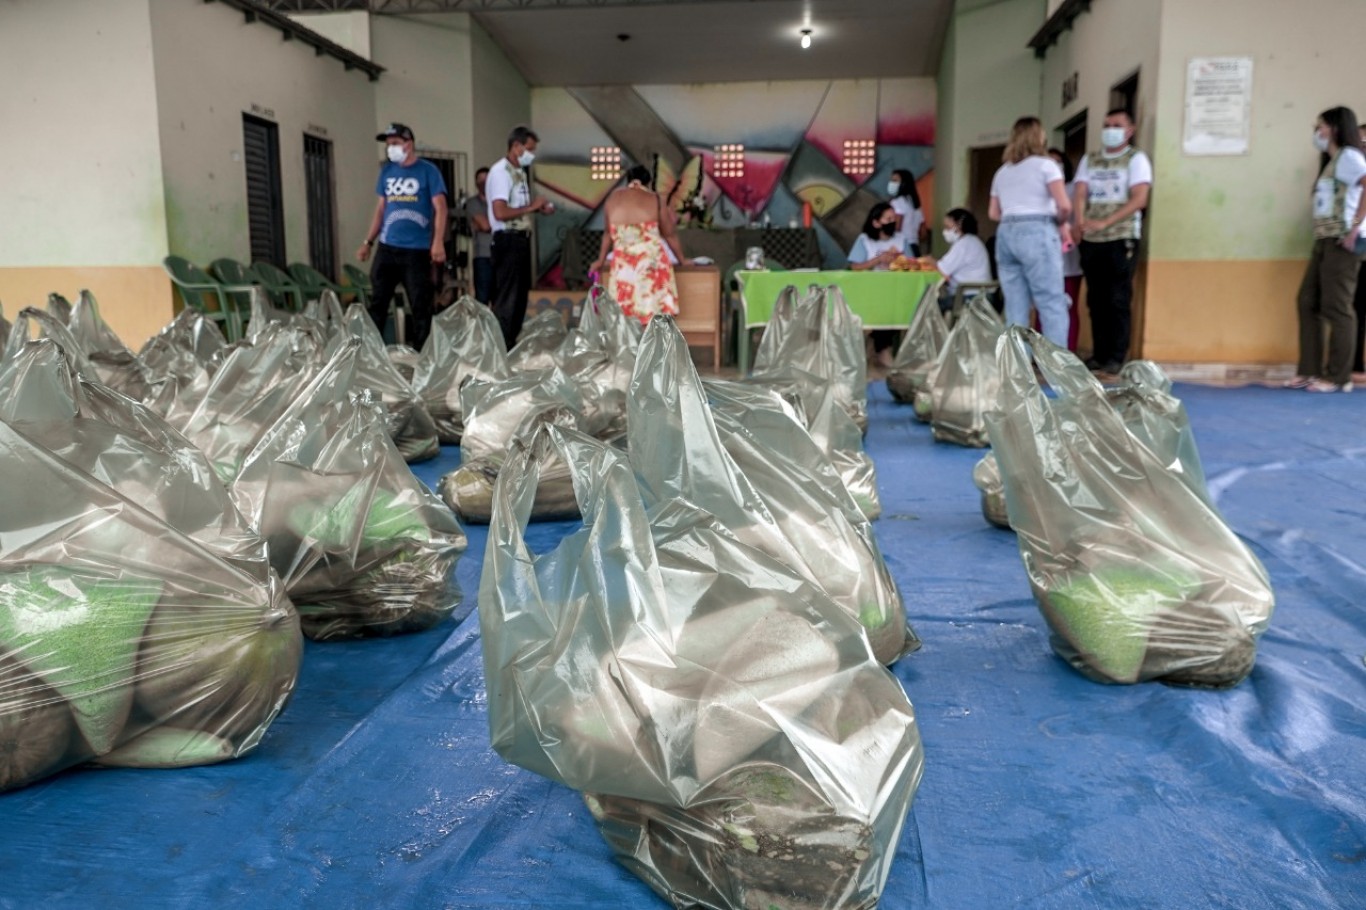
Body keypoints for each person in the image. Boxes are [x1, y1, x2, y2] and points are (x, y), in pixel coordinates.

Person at [1285, 106, 1366, 393]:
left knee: (1337, 306)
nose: (1316, 132)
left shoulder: (1350, 158)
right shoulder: (1332, 162)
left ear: (1334, 127)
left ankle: (1338, 377)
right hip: (1324, 239)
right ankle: (1309, 370)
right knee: (1308, 300)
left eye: (1320, 126)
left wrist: (1355, 225)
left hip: (1343, 240)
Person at [1073, 109, 1153, 372]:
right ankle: (1099, 353)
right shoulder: (1091, 159)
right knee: (1095, 299)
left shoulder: (1136, 159)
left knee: (1117, 298)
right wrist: (1079, 222)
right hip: (1091, 239)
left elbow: (1139, 198)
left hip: (1121, 237)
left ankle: (1116, 357)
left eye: (1116, 125)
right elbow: (1081, 193)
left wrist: (1107, 222)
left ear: (1129, 130)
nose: (1110, 129)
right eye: (1106, 125)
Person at [356, 122, 447, 351]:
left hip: (416, 250)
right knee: (377, 302)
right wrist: (368, 242)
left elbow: (441, 208)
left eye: (395, 143)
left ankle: (421, 355)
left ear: (409, 144)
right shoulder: (387, 172)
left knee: (420, 305)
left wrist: (437, 242)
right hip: (387, 247)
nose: (390, 149)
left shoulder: (428, 171)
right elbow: (380, 209)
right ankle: (370, 353)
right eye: (388, 145)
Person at [989, 117, 1072, 348]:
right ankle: (1059, 374)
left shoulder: (1002, 172)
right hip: (1037, 230)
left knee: (1015, 307)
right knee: (1051, 303)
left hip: (1006, 233)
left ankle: (1017, 373)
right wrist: (1060, 223)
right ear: (1040, 137)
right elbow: (1064, 205)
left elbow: (994, 213)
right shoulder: (1047, 166)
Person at [588, 164, 689, 325]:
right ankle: (653, 348)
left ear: (628, 180)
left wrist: (600, 260)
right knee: (655, 317)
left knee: (625, 317)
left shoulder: (612, 199)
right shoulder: (654, 199)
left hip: (623, 268)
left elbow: (607, 234)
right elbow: (669, 235)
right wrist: (683, 260)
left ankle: (630, 349)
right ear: (647, 183)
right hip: (651, 265)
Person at [486, 125, 553, 349]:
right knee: (508, 298)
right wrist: (532, 206)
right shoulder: (500, 172)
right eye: (529, 149)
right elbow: (500, 212)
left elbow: (519, 207)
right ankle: (501, 346)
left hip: (521, 238)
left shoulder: (519, 172)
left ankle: (511, 342)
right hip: (507, 239)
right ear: (516, 146)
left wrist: (537, 208)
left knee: (519, 298)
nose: (531, 155)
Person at [849, 202, 911, 366]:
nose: (893, 221)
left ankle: (881, 349)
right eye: (888, 218)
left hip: (896, 290)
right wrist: (878, 260)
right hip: (871, 292)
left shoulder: (901, 239)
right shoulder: (865, 240)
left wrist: (900, 261)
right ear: (876, 223)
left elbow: (913, 264)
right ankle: (883, 350)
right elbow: (855, 266)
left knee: (896, 309)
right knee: (880, 310)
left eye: (894, 218)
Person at [921, 208, 992, 310]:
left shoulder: (963, 244)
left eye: (947, 227)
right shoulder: (972, 240)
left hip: (971, 296)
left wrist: (928, 260)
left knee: (928, 306)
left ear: (958, 226)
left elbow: (943, 270)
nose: (945, 231)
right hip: (980, 293)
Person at [1049, 148, 1084, 351]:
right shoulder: (1041, 189)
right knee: (1045, 308)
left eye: (1057, 161)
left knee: (1068, 307)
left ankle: (1067, 351)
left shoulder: (1071, 190)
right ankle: (1041, 353)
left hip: (1069, 260)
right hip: (1044, 258)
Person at [464, 167, 493, 303]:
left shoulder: (500, 202)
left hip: (502, 256)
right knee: (482, 299)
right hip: (483, 257)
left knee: (501, 300)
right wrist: (501, 221)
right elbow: (486, 226)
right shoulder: (472, 203)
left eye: (486, 179)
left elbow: (485, 226)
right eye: (480, 180)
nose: (483, 183)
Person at [887, 169, 925, 256]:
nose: (891, 183)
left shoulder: (897, 202)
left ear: (904, 183)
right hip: (915, 247)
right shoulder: (916, 205)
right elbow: (923, 233)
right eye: (891, 180)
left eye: (895, 180)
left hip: (901, 248)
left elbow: (896, 227)